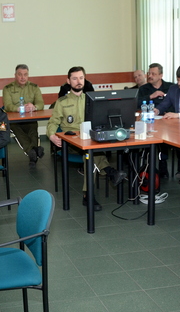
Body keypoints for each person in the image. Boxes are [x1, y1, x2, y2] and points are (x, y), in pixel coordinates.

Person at [47, 67, 126, 211]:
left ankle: (88, 195)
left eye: (81, 78)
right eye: (75, 78)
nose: (78, 81)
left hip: (89, 139)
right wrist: (52, 135)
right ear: (68, 81)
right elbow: (53, 122)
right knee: (92, 153)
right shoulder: (62, 102)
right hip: (71, 142)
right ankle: (109, 171)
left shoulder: (91, 100)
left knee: (90, 154)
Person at [2, 64, 45, 168]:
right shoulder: (7, 88)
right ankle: (33, 151)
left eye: (25, 74)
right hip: (14, 120)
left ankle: (32, 153)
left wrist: (34, 107)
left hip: (30, 118)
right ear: (15, 75)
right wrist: (18, 109)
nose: (23, 77)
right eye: (20, 74)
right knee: (18, 131)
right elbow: (7, 105)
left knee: (33, 129)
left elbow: (41, 103)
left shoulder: (34, 87)